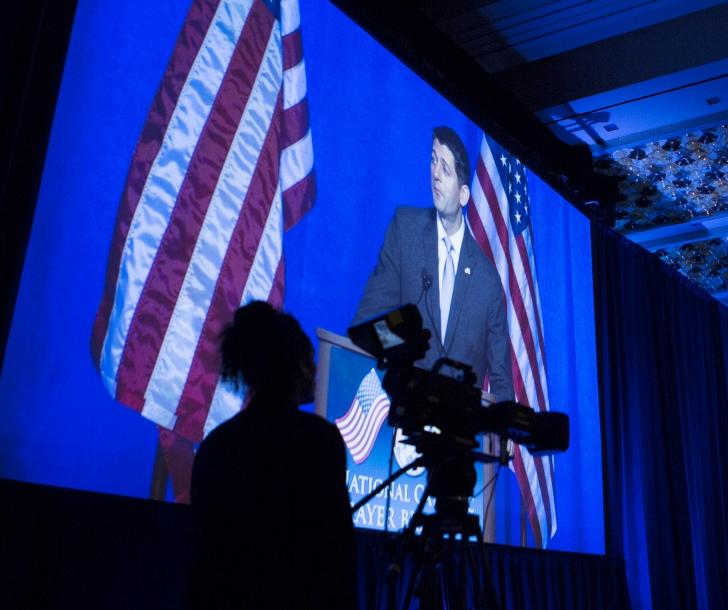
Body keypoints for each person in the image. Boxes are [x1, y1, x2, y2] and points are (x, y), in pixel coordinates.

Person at [186, 301, 357, 610]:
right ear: (299, 367)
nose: (317, 370)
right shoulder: (318, 441)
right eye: (311, 360)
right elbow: (336, 556)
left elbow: (204, 558)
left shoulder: (216, 445)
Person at [352, 127, 513, 402]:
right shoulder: (405, 231)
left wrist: (502, 438)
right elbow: (367, 322)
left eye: (445, 169)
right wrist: (401, 344)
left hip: (459, 431)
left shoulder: (488, 281)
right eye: (433, 160)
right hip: (401, 416)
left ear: (464, 195)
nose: (435, 173)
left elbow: (501, 381)